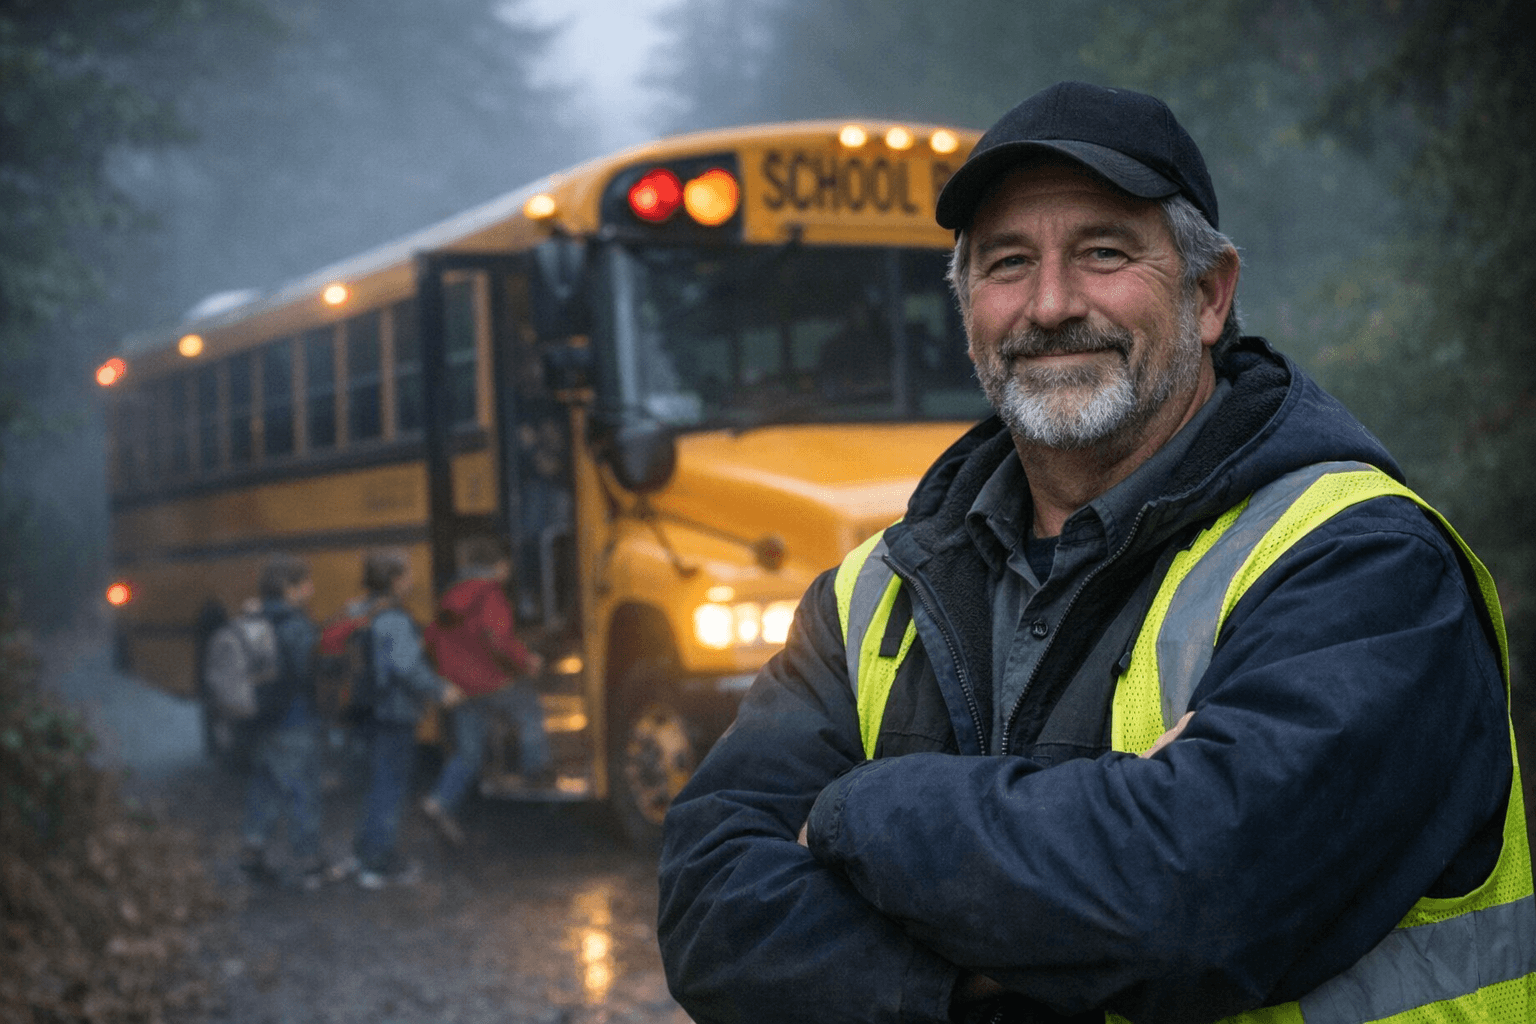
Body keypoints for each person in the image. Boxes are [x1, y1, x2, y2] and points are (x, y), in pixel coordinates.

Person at [657, 82, 1532, 1024]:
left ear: (1208, 294)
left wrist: (857, 811)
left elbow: (1189, 905)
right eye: (1005, 264)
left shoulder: (1364, 566)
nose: (1050, 304)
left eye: (1104, 253)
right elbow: (707, 913)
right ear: (966, 309)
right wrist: (997, 958)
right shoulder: (871, 593)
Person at [343, 549, 463, 888]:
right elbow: (407, 665)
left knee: (375, 783)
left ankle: (365, 852)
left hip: (365, 709)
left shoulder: (359, 610)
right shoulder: (394, 619)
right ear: (395, 581)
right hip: (393, 711)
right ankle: (378, 863)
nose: (412, 581)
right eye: (407, 574)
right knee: (389, 786)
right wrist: (440, 690)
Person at [420, 535, 549, 845]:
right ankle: (535, 771)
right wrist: (526, 661)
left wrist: (446, 677)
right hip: (491, 681)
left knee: (468, 752)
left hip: (460, 688)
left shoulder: (450, 595)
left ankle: (439, 802)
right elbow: (497, 638)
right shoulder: (490, 594)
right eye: (506, 567)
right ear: (498, 566)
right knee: (529, 707)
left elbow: (432, 639)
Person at [239, 553, 325, 889]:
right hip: (294, 720)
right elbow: (308, 671)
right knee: (302, 791)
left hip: (259, 718)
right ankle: (309, 862)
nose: (311, 588)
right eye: (306, 583)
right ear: (290, 588)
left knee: (265, 786)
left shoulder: (254, 619)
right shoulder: (294, 624)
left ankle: (252, 851)